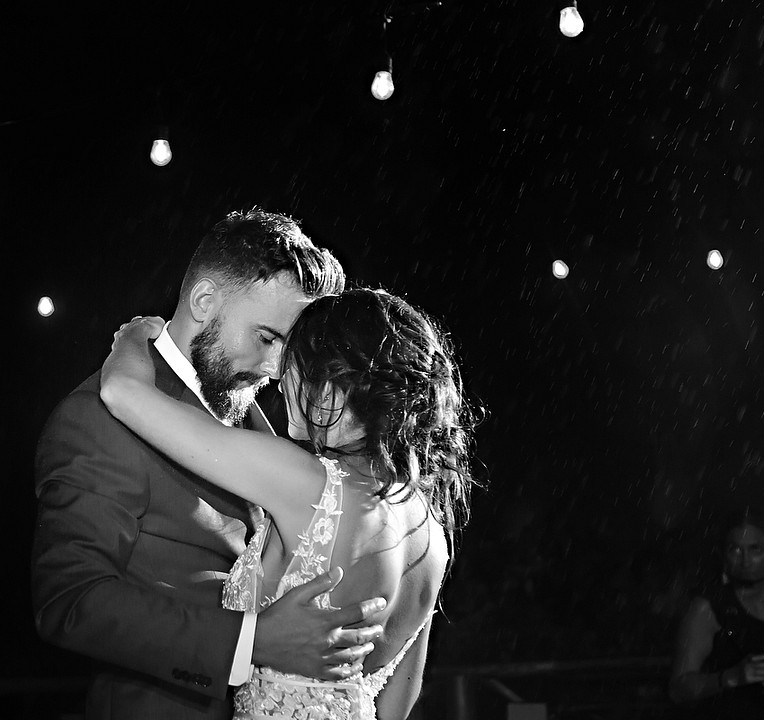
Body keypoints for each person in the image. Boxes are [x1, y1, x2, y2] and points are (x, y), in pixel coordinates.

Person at [32, 209, 387, 720]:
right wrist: (251, 643)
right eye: (267, 338)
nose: (276, 367)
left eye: (290, 347)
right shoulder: (97, 419)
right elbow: (70, 601)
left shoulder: (254, 416)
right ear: (203, 301)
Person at [100, 287, 478, 719]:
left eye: (294, 360)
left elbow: (121, 392)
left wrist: (132, 336)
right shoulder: (430, 532)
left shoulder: (310, 485)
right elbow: (396, 709)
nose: (280, 378)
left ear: (332, 379)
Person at [669, 508, 764, 717]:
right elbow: (679, 689)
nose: (746, 560)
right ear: (723, 555)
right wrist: (731, 677)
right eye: (736, 549)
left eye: (755, 549)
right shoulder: (708, 608)